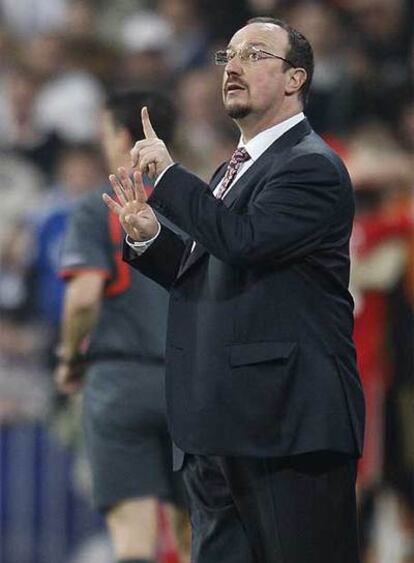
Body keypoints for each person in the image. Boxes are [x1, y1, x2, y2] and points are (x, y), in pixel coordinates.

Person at [104, 18, 365, 563]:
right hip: (221, 425)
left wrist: (173, 178)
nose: (233, 67)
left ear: (295, 78)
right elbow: (217, 267)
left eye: (253, 54)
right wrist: (153, 239)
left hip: (287, 428)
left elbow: (245, 243)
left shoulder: (311, 166)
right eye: (229, 56)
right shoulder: (237, 167)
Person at [55, 90, 189, 563]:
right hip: (187, 381)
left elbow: (83, 298)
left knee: (134, 543)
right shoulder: (197, 200)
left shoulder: (100, 205)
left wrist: (70, 356)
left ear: (122, 136)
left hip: (119, 381)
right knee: (196, 534)